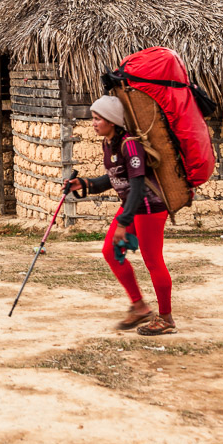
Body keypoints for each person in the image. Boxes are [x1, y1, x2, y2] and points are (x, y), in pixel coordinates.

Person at [64, 94, 176, 335]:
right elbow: (115, 178)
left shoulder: (130, 145)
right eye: (93, 118)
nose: (93, 123)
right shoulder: (109, 143)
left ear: (112, 121)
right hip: (131, 205)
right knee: (110, 252)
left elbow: (136, 186)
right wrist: (84, 183)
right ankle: (139, 307)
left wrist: (124, 223)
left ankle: (166, 319)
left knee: (153, 260)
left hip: (148, 208)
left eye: (97, 119)